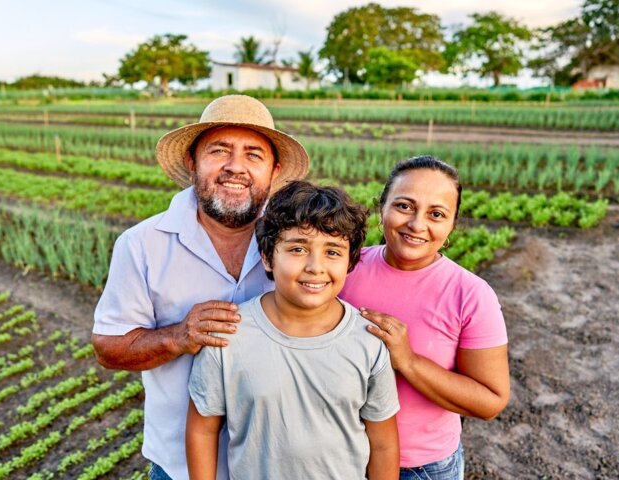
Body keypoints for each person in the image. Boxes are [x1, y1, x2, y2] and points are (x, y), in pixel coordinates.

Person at [91, 95, 310, 480]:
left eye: (253, 155)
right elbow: (109, 348)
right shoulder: (143, 243)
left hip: (278, 465)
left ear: (274, 170)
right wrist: (179, 336)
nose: (235, 167)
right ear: (193, 161)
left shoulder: (299, 244)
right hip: (179, 467)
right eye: (219, 151)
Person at [186, 181, 400, 480]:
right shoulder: (228, 335)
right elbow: (203, 430)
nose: (316, 266)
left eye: (333, 252)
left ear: (350, 261)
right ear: (267, 256)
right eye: (298, 248)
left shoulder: (367, 340)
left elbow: (384, 445)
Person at [339, 156, 510, 480]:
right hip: (340, 456)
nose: (417, 224)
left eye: (436, 214)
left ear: (451, 225)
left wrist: (409, 361)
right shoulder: (344, 268)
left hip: (420, 468)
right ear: (382, 209)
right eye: (404, 206)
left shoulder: (471, 294)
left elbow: (490, 401)